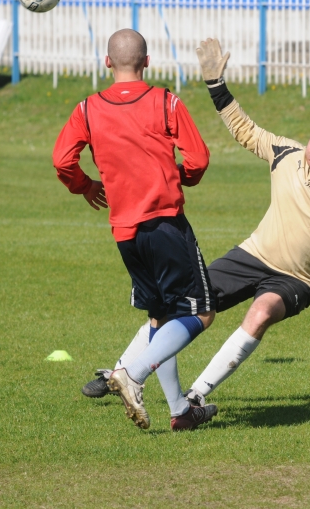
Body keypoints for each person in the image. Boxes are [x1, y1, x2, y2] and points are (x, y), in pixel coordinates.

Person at [81, 37, 310, 408]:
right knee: (180, 304)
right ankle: (121, 372)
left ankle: (196, 396)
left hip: (296, 279)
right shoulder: (287, 153)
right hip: (251, 255)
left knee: (261, 311)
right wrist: (217, 85)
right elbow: (244, 128)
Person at [53, 29, 219, 431]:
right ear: (147, 62)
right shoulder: (165, 101)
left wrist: (85, 185)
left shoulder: (86, 109)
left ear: (107, 62)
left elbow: (62, 160)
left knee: (162, 318)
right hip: (165, 224)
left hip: (125, 232)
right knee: (204, 313)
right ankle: (131, 373)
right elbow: (197, 158)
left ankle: (180, 411)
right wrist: (178, 177)